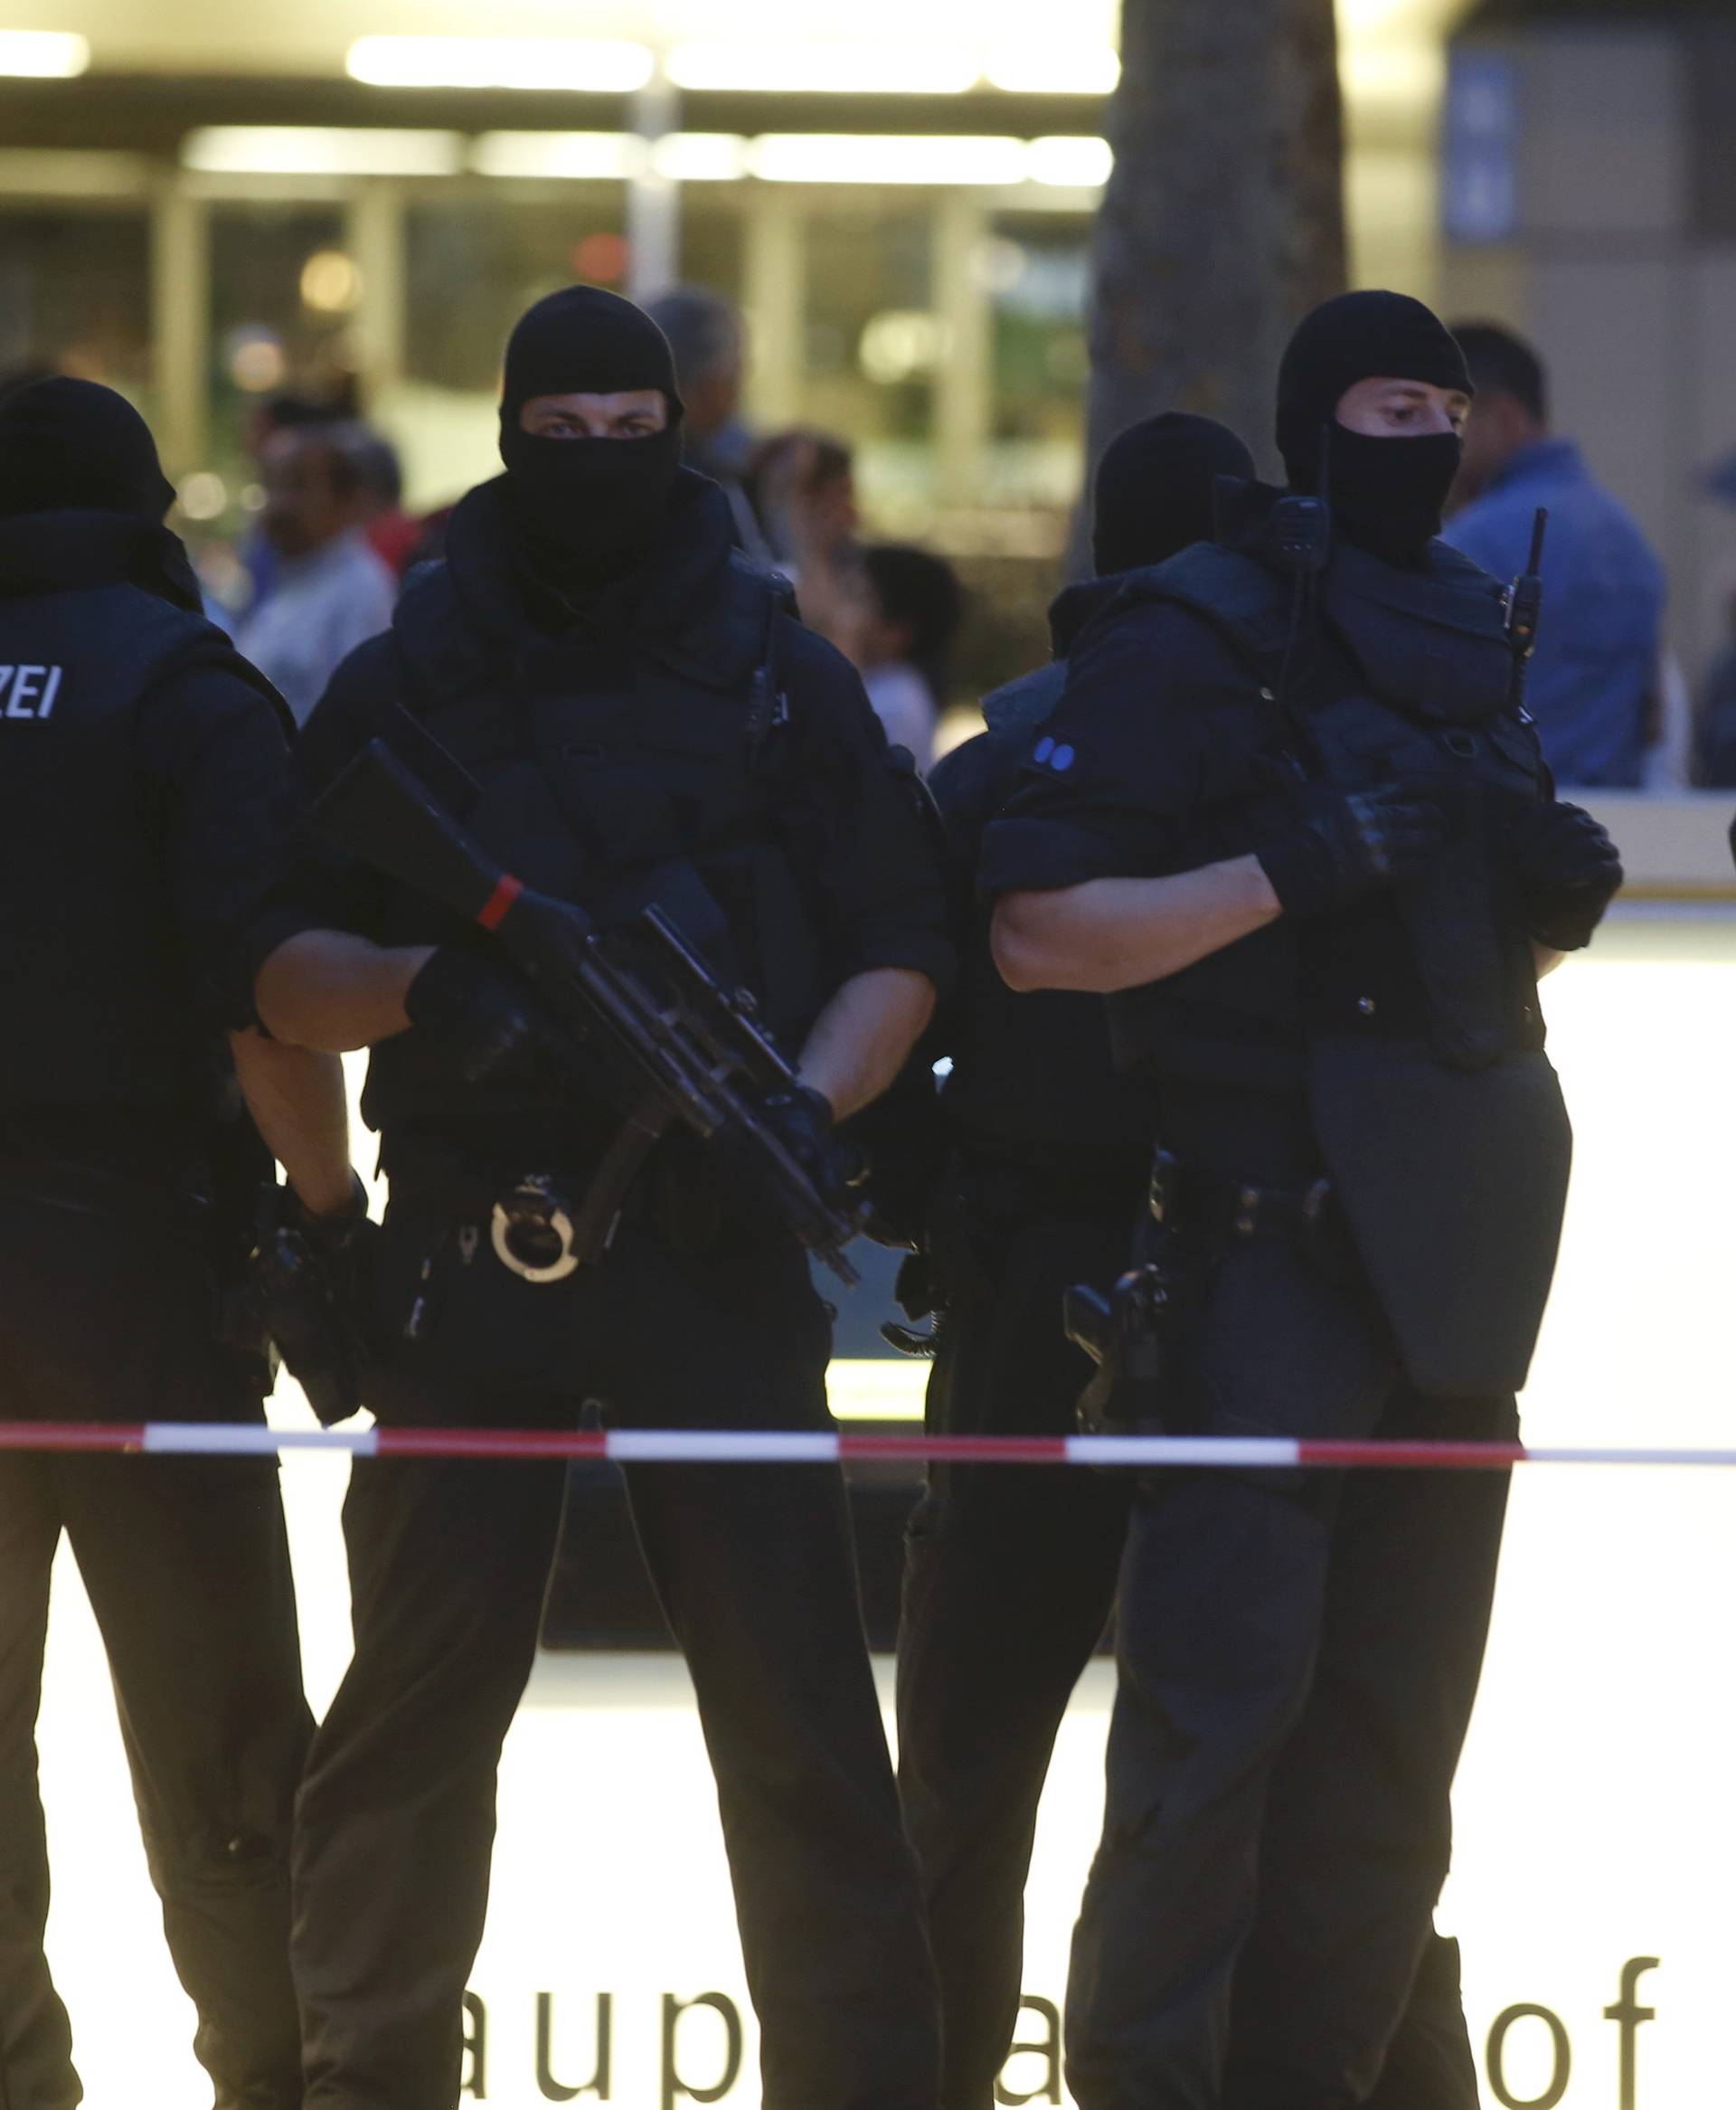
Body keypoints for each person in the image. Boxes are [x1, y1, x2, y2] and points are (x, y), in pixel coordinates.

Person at [250, 285, 952, 2110]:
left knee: (801, 1722)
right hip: (466, 1241)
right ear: (503, 436)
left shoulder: (770, 668)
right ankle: (363, 2071)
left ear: (680, 436)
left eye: (628, 436)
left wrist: (787, 1103)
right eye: (557, 436)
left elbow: (899, 943)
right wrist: (438, 987)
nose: (593, 470)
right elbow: (277, 974)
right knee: (410, 1714)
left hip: (713, 1242)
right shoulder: (409, 676)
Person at [983, 291, 1624, 2107]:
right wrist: (1296, 864)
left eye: (1444, 402)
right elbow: (1040, 932)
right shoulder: (1209, 631)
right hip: (1259, 1262)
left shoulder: (1461, 628)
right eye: (1381, 402)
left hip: (1454, 1279)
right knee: (1206, 1751)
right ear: (1309, 423)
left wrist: (1528, 903)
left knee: (1391, 1770)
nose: (1419, 434)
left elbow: (1430, 969)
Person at [888, 408, 1490, 2110]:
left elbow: (898, 1015)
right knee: (1278, 1759)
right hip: (1249, 1286)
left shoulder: (1005, 767)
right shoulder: (1308, 750)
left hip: (1039, 1289)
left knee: (973, 1765)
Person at [0, 378, 355, 2110]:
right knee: (219, 1728)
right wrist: (330, 1214)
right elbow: (261, 1000)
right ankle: (271, 2075)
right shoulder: (181, 684)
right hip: (137, 1264)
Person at [1445, 321, 1665, 788]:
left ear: (1502, 416)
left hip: (1505, 825)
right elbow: (1652, 720)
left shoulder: (1473, 540)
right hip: (1621, 827)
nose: (1437, 441)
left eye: (1452, 418)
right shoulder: (1624, 532)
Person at [235, 423, 396, 726]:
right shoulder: (285, 583)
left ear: (346, 501)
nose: (278, 505)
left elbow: (355, 722)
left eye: (296, 486)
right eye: (271, 486)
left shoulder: (361, 590)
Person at [644, 284, 769, 557]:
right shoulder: (694, 484)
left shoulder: (732, 458)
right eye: (736, 368)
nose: (741, 383)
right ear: (711, 380)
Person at [856, 543, 965, 768]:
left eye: (859, 598)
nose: (841, 610)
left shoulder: (895, 704)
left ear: (897, 632)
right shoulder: (883, 684)